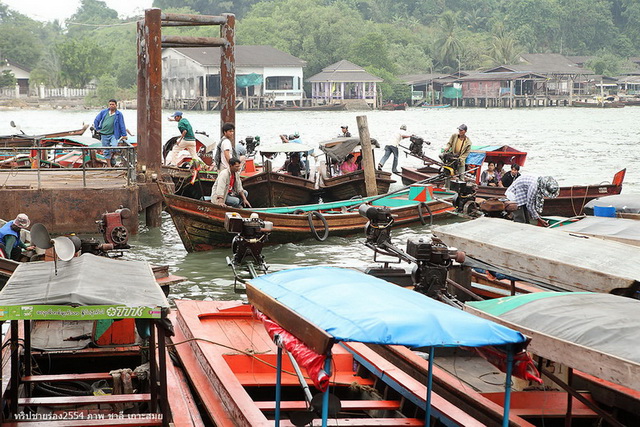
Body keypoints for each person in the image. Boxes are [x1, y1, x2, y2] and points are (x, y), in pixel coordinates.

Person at [93, 99, 127, 166]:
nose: (111, 106)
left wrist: (124, 134)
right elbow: (97, 119)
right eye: (110, 104)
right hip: (104, 134)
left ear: (116, 105)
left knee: (114, 146)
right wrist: (97, 128)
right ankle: (109, 165)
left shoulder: (118, 114)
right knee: (106, 150)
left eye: (113, 104)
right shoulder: (104, 112)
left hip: (113, 134)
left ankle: (113, 156)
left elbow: (122, 124)